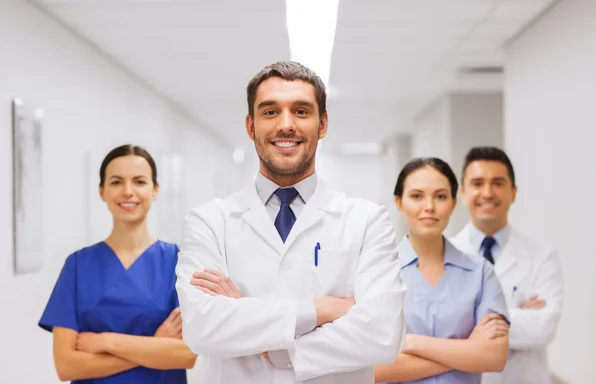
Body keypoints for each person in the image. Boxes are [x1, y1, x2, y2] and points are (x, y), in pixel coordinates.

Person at [175, 61, 407, 384]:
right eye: (270, 112)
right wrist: (322, 309)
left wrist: (272, 342)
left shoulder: (367, 221)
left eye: (301, 111)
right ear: (250, 125)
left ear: (322, 124)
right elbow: (202, 328)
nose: (286, 125)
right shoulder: (209, 222)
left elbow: (383, 335)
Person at [38, 144, 196, 383]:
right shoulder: (78, 265)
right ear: (102, 192)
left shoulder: (179, 262)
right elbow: (66, 366)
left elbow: (186, 355)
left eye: (139, 182)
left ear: (155, 190)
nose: (128, 191)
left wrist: (105, 342)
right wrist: (154, 346)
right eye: (116, 182)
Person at [375, 157, 509, 384]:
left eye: (440, 196)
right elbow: (375, 369)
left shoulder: (481, 273)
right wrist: (468, 350)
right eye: (417, 196)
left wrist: (409, 343)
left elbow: (494, 357)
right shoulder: (378, 272)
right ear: (398, 203)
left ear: (453, 203)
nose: (429, 206)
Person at [451, 147, 564, 384]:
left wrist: (468, 321)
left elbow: (544, 327)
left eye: (498, 183)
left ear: (513, 192)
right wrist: (518, 316)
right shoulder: (444, 255)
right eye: (478, 183)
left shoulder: (542, 256)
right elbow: (438, 329)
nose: (487, 192)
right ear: (462, 193)